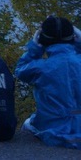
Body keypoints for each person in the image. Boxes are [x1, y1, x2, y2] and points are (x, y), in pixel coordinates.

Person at [15, 15, 81, 149]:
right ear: (74, 37)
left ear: (41, 39)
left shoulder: (40, 68)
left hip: (53, 132)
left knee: (28, 123)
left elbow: (20, 70)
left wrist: (34, 48)